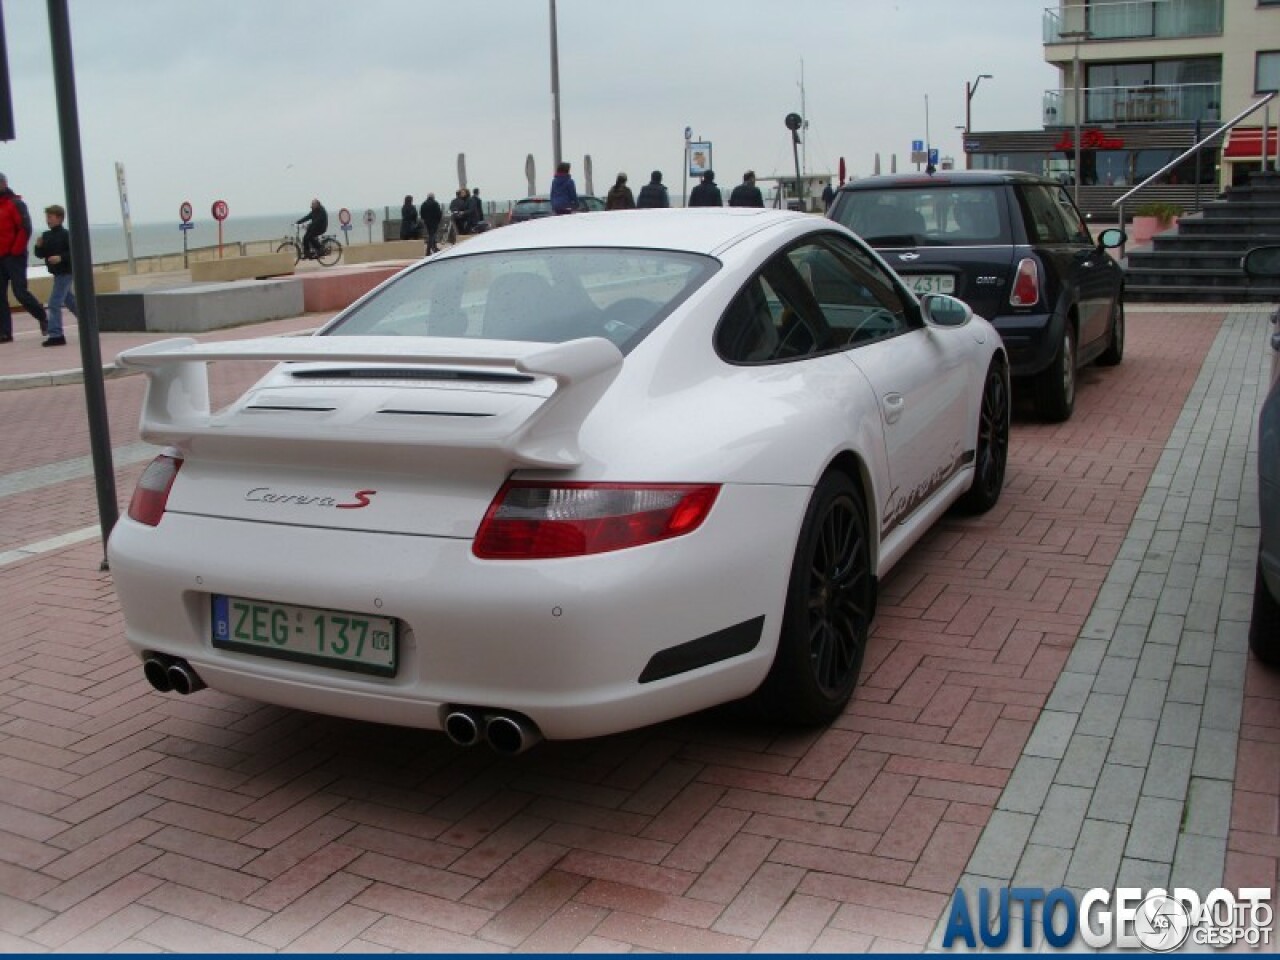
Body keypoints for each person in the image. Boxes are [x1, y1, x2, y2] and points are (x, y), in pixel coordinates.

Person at [0, 173, 48, 343]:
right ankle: (5, 332)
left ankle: (42, 316)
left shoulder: (16, 204)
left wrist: (15, 251)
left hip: (14, 256)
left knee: (20, 292)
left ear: (4, 184)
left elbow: (25, 228)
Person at [33, 204, 74, 347]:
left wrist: (60, 258)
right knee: (70, 301)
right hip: (57, 273)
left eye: (50, 217)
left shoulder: (66, 235)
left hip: (66, 272)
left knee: (54, 303)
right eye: (47, 217)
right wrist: (38, 246)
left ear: (60, 218)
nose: (47, 220)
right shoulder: (46, 235)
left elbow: (74, 252)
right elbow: (40, 255)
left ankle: (56, 335)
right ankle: (92, 323)